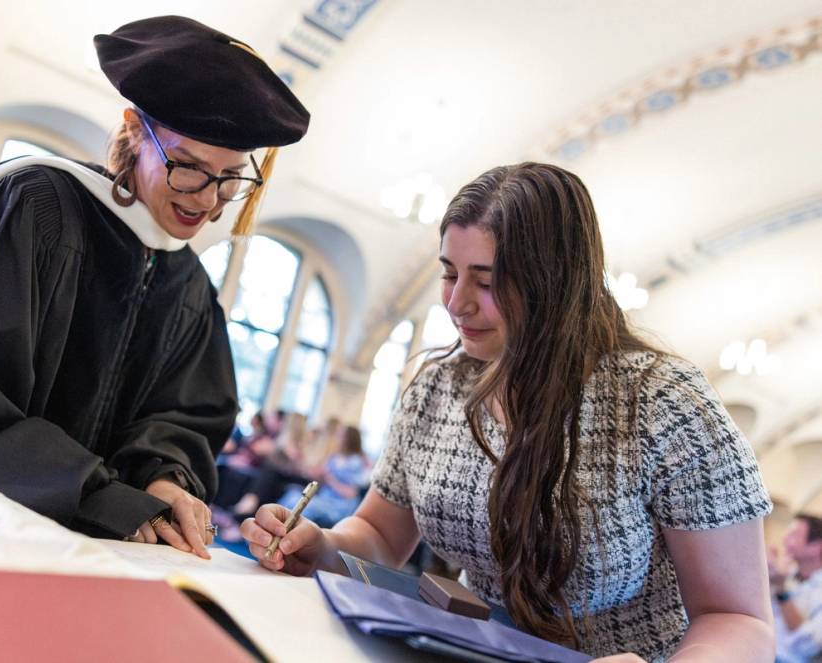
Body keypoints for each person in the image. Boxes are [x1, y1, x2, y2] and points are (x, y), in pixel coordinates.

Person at [242, 163, 774, 661]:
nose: (456, 304)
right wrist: (323, 547)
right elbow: (380, 537)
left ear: (555, 283)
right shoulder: (438, 387)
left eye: (488, 281)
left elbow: (740, 620)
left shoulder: (661, 402)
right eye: (450, 273)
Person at [0, 16, 310, 557]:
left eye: (231, 178)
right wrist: (97, 494)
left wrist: (161, 476)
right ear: (134, 131)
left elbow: (183, 417)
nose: (206, 200)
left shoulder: (190, 284)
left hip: (81, 555)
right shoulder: (33, 208)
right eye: (188, 166)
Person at [280, 424, 370, 528]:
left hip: (339, 505)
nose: (337, 439)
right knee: (292, 495)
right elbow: (321, 478)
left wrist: (330, 479)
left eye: (340, 436)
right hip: (323, 498)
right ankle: (278, 527)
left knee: (308, 508)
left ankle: (288, 533)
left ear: (349, 440)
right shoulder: (334, 457)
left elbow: (351, 493)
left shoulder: (356, 462)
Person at [771, 514, 822, 661]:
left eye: (793, 535)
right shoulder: (787, 573)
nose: (785, 540)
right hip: (758, 647)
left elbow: (807, 646)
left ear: (816, 547)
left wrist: (781, 591)